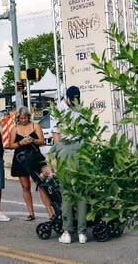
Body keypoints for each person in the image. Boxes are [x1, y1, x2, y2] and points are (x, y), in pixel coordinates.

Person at [52, 86, 88, 244]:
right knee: (72, 193)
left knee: (76, 193)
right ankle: (72, 232)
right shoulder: (59, 109)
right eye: (72, 100)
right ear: (66, 97)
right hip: (67, 149)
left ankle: (78, 232)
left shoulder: (78, 107)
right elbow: (56, 134)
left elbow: (56, 134)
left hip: (77, 149)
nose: (74, 102)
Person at [8, 106, 52, 220]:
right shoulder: (15, 129)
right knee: (25, 186)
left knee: (42, 184)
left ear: (29, 117)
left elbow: (42, 141)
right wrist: (21, 143)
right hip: (21, 159)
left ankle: (50, 212)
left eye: (25, 118)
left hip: (35, 157)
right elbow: (10, 145)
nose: (23, 120)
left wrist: (33, 140)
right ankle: (31, 213)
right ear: (18, 118)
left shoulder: (35, 126)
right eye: (21, 118)